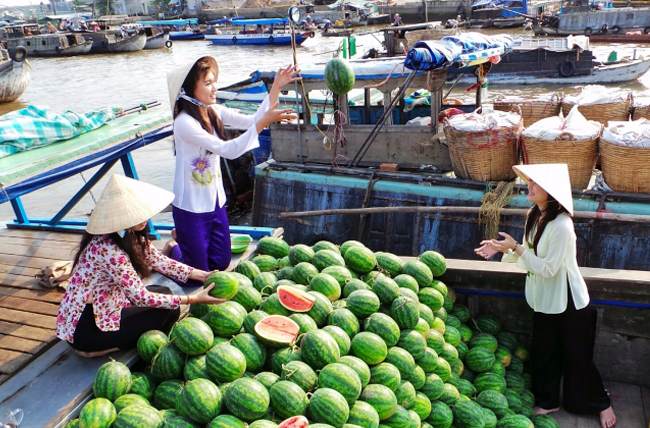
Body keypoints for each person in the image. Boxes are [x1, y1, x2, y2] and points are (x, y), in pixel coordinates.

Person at [474, 164, 617, 428]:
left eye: (535, 184)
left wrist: (515, 247)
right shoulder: (534, 215)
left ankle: (601, 402)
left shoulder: (563, 226)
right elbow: (528, 256)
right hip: (544, 299)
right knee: (544, 352)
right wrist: (501, 250)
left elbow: (548, 268)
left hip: (569, 301)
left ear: (550, 192)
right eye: (530, 182)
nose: (529, 186)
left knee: (577, 357)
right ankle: (549, 400)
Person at [55, 175, 223, 358]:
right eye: (135, 214)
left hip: (100, 307)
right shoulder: (111, 251)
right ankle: (92, 349)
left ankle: (102, 341)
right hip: (86, 327)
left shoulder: (126, 234)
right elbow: (141, 297)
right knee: (170, 310)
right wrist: (193, 299)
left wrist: (204, 275)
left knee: (163, 291)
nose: (144, 218)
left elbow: (160, 261)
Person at [165, 56, 298, 284]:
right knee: (199, 277)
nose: (214, 87)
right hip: (191, 207)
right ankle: (173, 251)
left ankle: (183, 242)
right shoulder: (184, 122)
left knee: (221, 262)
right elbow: (228, 150)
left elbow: (252, 120)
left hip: (214, 201)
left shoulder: (213, 110)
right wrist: (264, 122)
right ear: (188, 88)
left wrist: (276, 87)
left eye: (214, 81)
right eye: (208, 83)